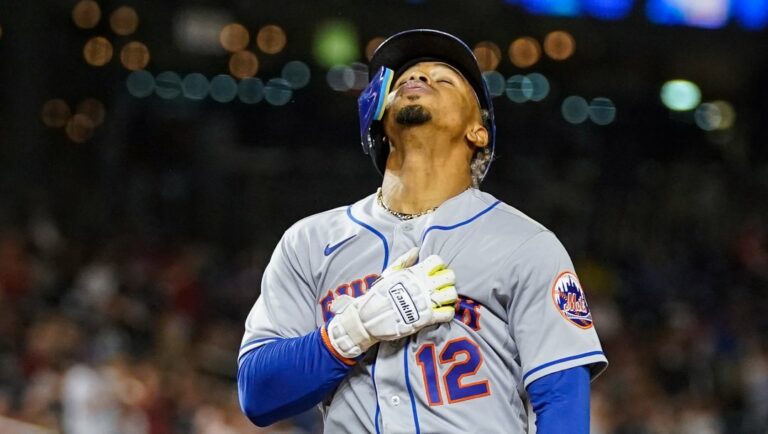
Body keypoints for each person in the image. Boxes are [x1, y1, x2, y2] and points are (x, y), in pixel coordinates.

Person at [237, 29, 608, 433]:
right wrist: (353, 330)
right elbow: (257, 393)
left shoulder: (526, 244)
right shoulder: (309, 241)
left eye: (443, 79)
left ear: (478, 131)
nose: (417, 77)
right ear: (379, 118)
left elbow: (562, 404)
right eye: (404, 80)